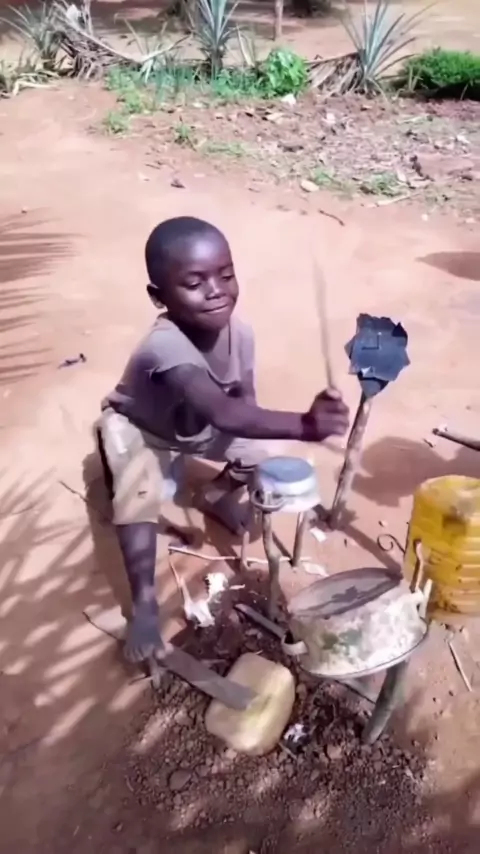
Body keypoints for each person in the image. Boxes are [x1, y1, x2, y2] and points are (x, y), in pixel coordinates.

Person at [98, 216, 349, 663]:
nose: (216, 290)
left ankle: (214, 496)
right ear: (159, 296)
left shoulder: (241, 334)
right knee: (139, 494)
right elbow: (224, 412)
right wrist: (307, 426)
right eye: (194, 283)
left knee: (259, 457)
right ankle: (144, 608)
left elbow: (243, 408)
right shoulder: (164, 346)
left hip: (197, 427)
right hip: (141, 430)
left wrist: (265, 431)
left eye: (226, 275)